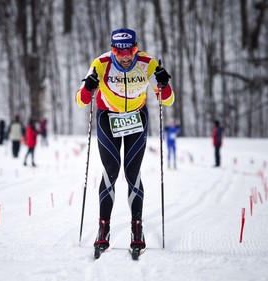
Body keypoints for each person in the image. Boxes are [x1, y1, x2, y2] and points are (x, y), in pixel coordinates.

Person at [75, 28, 174, 259]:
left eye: (129, 50)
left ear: (135, 48)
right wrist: (89, 87)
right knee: (110, 171)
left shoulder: (147, 63)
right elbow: (80, 100)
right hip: (107, 118)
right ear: (112, 50)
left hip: (136, 119)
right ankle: (103, 229)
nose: (125, 56)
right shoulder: (100, 63)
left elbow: (167, 100)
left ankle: (137, 230)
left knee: (132, 173)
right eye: (119, 52)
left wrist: (164, 84)